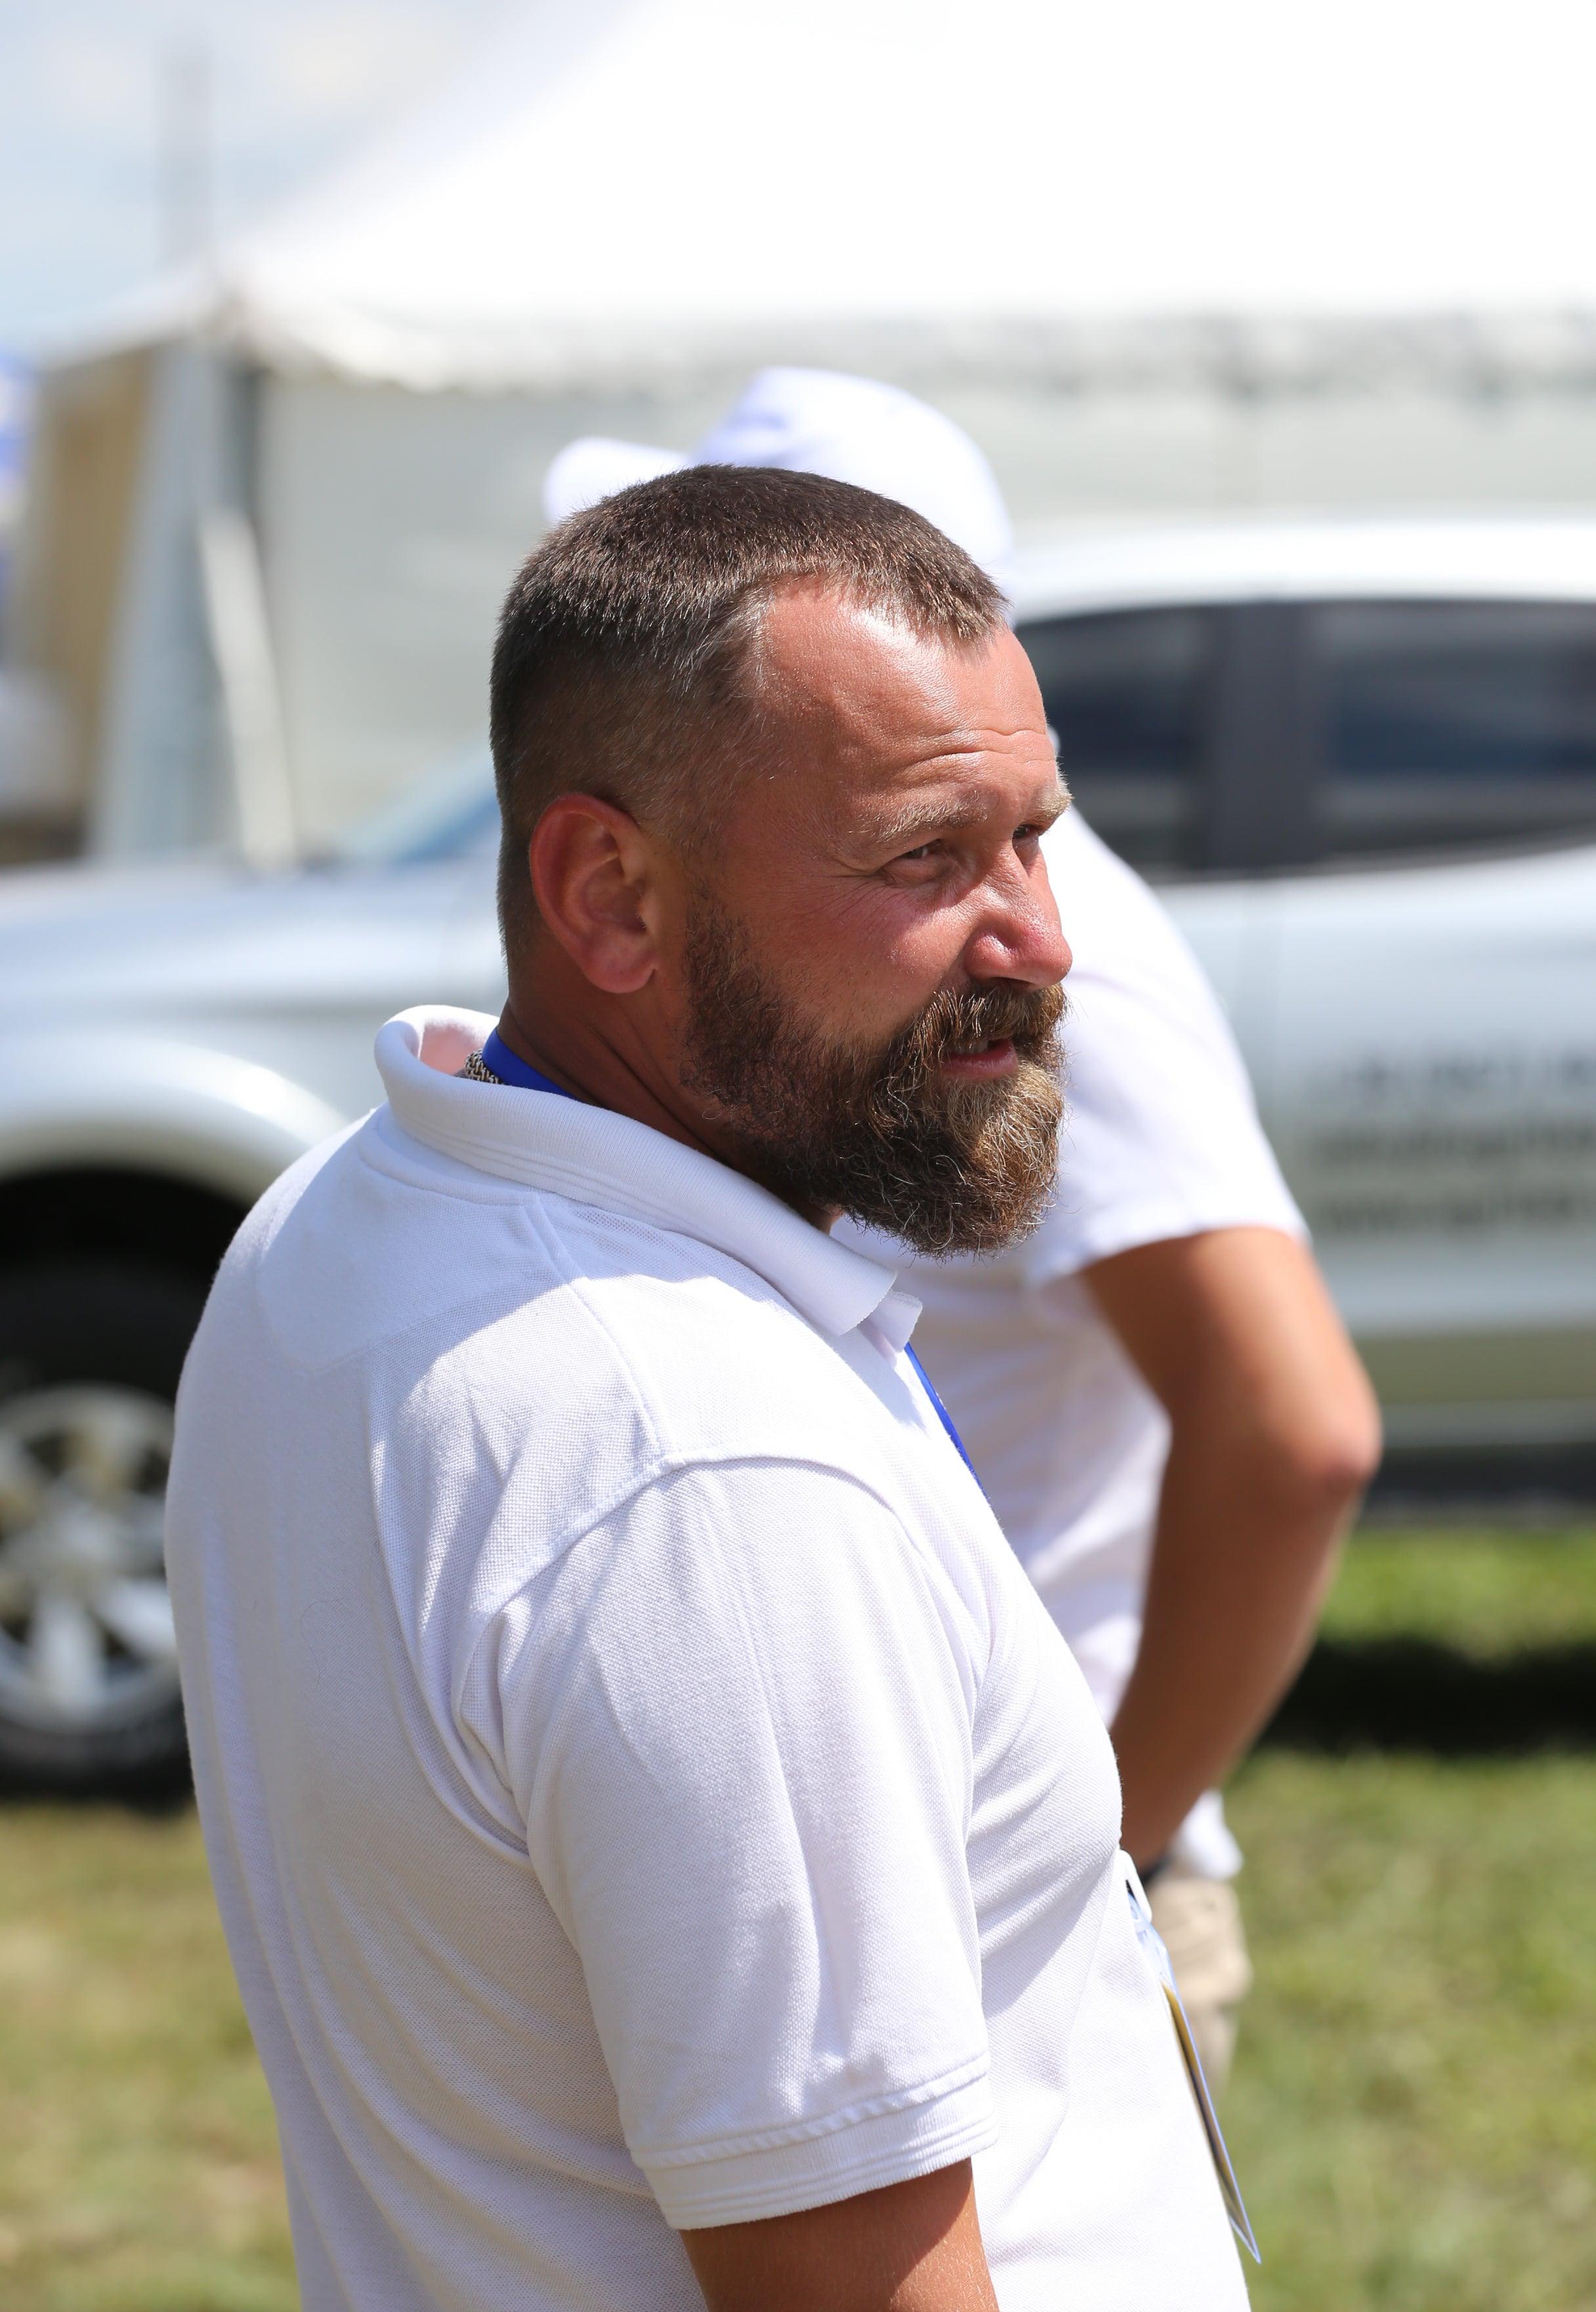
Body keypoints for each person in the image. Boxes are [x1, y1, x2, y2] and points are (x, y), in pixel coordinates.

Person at [168, 469, 1251, 2312]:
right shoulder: (710, 1476)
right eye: (925, 859)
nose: (1040, 941)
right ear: (610, 895)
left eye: (1034, 838)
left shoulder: (343, 1220)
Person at [545, 368, 1383, 2086]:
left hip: (992, 1901)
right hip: (891, 1870)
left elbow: (1295, 1430)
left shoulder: (1047, 970)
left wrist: (1092, 1868)